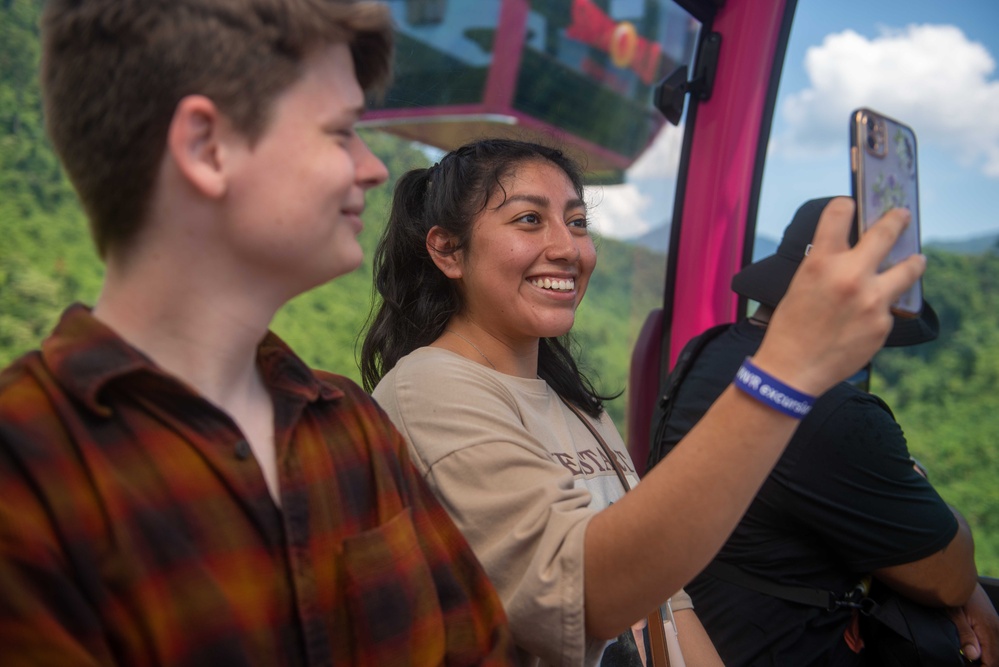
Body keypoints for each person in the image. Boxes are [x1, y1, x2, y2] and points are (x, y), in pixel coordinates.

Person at [0, 1, 515, 664]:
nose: (373, 167)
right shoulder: (27, 471)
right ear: (206, 147)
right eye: (340, 132)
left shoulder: (354, 428)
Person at [360, 138, 925, 665]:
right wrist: (787, 372)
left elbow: (664, 600)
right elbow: (581, 591)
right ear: (447, 250)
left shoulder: (575, 404)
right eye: (529, 220)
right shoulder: (428, 390)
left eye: (577, 222)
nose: (567, 248)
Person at [648, 197, 999, 666]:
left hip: (707, 624)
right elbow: (951, 575)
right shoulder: (839, 414)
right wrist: (917, 482)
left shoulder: (705, 350)